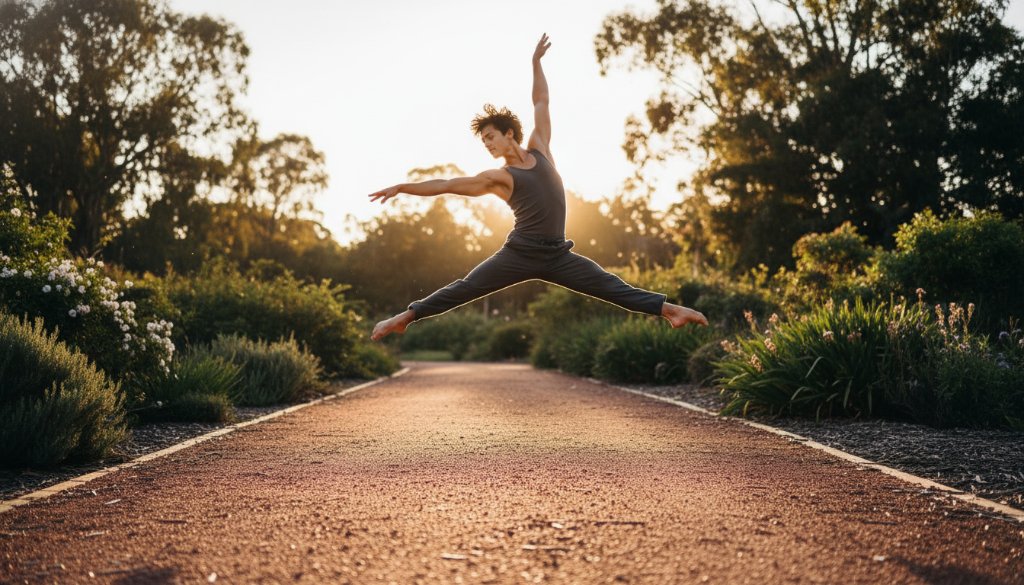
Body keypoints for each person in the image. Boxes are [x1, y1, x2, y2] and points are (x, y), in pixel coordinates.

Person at [367, 33, 707, 341]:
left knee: (610, 285)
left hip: (557, 253)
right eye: (483, 140)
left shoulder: (540, 147)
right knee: (467, 287)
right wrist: (402, 187)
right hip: (520, 253)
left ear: (509, 134)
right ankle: (406, 317)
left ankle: (670, 311)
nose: (487, 144)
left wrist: (535, 63)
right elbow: (449, 184)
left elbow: (541, 101)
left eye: (490, 137)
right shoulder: (498, 177)